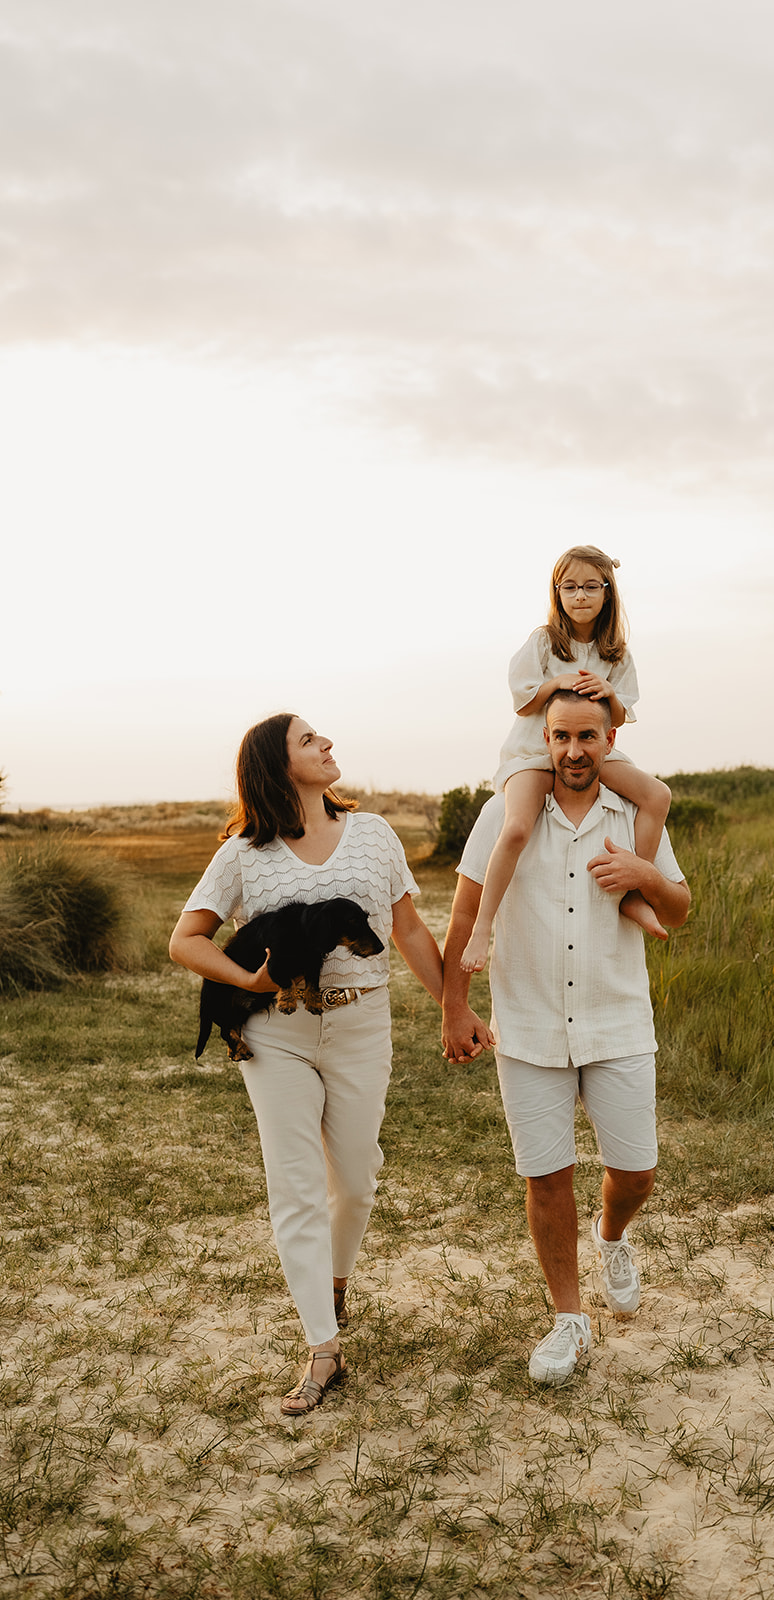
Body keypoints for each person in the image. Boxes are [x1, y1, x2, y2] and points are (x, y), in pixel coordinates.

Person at [169, 713, 442, 1416]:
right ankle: (323, 1348)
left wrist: (455, 1007)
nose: (326, 744)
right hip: (277, 1032)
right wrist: (250, 982)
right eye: (308, 740)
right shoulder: (241, 853)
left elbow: (407, 928)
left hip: (361, 1023)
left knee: (354, 1181)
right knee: (294, 1187)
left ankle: (336, 1279)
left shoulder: (374, 834)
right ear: (276, 764)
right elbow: (185, 940)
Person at [442, 689, 690, 1385]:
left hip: (618, 1022)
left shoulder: (633, 813)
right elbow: (464, 913)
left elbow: (679, 905)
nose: (573, 751)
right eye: (560, 737)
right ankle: (569, 1322)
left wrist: (645, 876)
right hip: (527, 1027)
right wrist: (452, 1007)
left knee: (635, 1172)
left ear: (609, 738)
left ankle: (610, 1235)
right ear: (542, 740)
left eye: (587, 736)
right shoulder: (503, 812)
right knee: (545, 1177)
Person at [460, 545, 671, 974]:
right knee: (516, 825)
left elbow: (618, 718)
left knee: (657, 795)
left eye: (591, 587)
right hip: (536, 750)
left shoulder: (616, 653)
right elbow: (522, 703)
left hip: (588, 749)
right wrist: (556, 683)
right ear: (557, 592)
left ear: (607, 592)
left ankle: (633, 892)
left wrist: (608, 692)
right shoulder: (544, 641)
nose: (580, 596)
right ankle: (484, 926)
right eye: (570, 587)